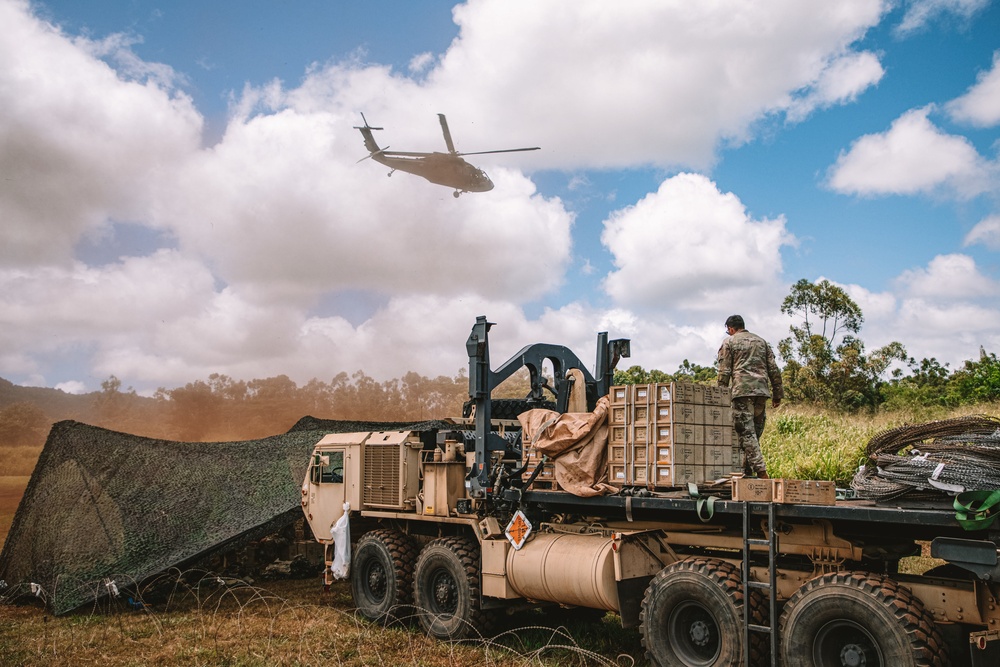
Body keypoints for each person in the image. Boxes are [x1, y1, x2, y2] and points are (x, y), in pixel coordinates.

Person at [716, 314, 783, 478]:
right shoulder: (761, 342)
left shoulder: (730, 342)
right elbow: (774, 369)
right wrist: (777, 394)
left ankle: (762, 473)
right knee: (754, 435)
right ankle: (746, 471)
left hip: (742, 393)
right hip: (761, 393)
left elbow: (724, 370)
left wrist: (720, 393)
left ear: (731, 328)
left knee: (746, 434)